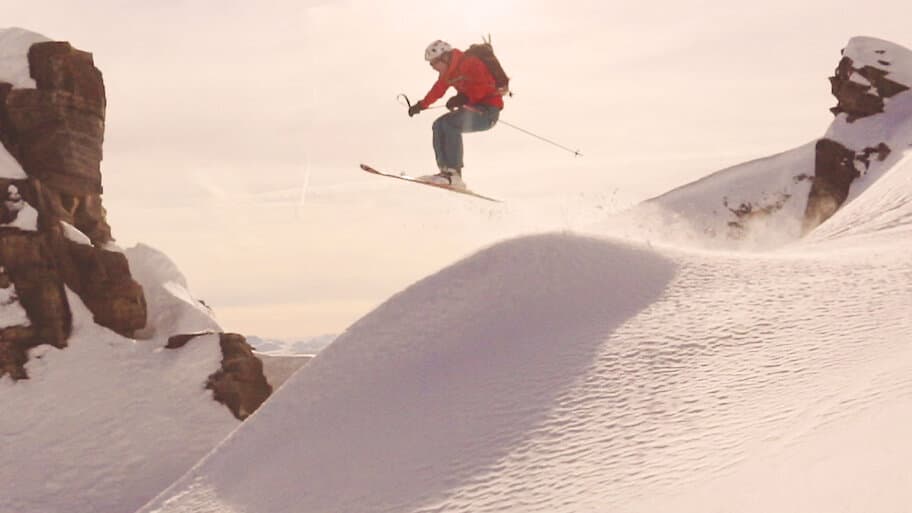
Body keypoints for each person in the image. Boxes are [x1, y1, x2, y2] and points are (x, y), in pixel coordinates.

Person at [407, 40, 504, 189]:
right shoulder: (448, 73)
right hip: (474, 109)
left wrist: (464, 98)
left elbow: (485, 85)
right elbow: (437, 91)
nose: (433, 67)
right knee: (438, 124)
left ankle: (454, 174)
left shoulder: (470, 62)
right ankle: (445, 171)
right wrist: (420, 105)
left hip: (488, 111)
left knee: (450, 124)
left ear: (444, 58)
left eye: (434, 63)